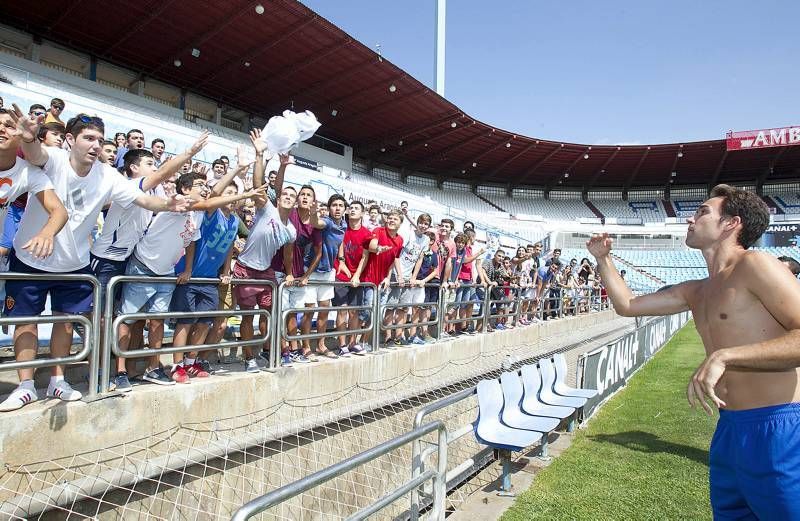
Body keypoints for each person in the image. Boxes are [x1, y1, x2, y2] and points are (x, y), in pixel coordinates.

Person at [587, 184, 800, 519]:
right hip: (729, 429)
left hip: (778, 427)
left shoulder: (756, 265)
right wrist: (603, 258)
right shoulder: (697, 291)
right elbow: (627, 305)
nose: (690, 218)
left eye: (702, 212)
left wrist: (725, 356)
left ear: (732, 223)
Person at [0, 109, 187, 410]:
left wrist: (168, 204)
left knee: (65, 323)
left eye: (100, 140)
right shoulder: (54, 158)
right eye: (89, 138)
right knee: (27, 324)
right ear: (70, 139)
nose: (96, 145)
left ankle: (57, 381)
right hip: (30, 256)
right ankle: (25, 386)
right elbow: (34, 153)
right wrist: (30, 136)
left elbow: (142, 198)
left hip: (74, 264)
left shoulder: (108, 175)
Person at [169, 160, 259, 383]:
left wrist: (226, 270)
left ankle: (191, 363)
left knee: (204, 323)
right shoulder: (211, 213)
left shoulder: (234, 221)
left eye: (234, 194)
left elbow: (229, 246)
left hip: (210, 279)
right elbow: (215, 194)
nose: (230, 197)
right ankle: (176, 366)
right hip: (190, 276)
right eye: (228, 193)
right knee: (185, 323)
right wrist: (237, 170)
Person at [234, 130, 295, 372]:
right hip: (246, 268)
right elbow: (259, 185)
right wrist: (260, 154)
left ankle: (269, 352)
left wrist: (289, 273)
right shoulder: (266, 209)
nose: (289, 197)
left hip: (266, 272)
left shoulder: (291, 230)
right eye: (286, 194)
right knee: (248, 317)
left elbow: (288, 254)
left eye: (294, 195)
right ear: (279, 199)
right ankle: (249, 358)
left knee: (269, 315)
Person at [304, 194, 347, 359]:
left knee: (324, 311)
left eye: (340, 205)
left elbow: (340, 242)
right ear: (329, 208)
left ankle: (321, 346)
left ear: (344, 209)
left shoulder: (343, 225)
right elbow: (316, 223)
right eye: (334, 205)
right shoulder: (327, 221)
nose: (337, 208)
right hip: (312, 271)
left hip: (328, 273)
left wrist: (341, 260)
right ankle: (306, 347)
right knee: (309, 312)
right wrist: (314, 213)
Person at [360, 209, 404, 349]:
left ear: (400, 223)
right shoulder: (378, 230)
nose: (391, 220)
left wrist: (387, 277)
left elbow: (394, 259)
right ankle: (355, 341)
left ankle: (364, 342)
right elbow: (371, 245)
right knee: (367, 311)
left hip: (383, 282)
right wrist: (378, 248)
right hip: (369, 279)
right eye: (389, 218)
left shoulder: (400, 239)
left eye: (395, 219)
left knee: (377, 313)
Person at [334, 200, 373, 356]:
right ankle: (342, 345)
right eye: (351, 208)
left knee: (354, 312)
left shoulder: (366, 233)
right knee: (342, 310)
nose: (353, 210)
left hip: (357, 278)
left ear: (362, 213)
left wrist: (357, 275)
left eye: (357, 208)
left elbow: (365, 257)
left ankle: (353, 343)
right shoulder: (341, 228)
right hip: (341, 275)